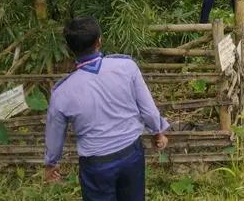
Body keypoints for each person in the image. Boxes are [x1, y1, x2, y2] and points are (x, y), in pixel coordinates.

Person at [44, 16, 169, 200]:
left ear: (70, 49)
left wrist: (51, 163)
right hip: (131, 155)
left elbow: (54, 134)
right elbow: (148, 109)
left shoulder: (62, 93)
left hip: (96, 165)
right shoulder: (126, 67)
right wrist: (157, 132)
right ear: (99, 41)